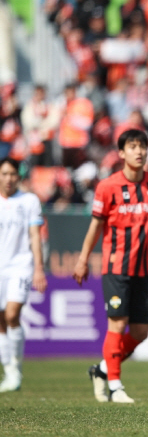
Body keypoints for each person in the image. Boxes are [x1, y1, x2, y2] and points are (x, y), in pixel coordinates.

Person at [72, 129, 148, 403]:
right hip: (116, 267)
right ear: (121, 153)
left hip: (144, 268)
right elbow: (96, 226)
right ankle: (115, 386)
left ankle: (101, 369)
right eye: (133, 146)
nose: (139, 151)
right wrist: (83, 259)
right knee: (117, 323)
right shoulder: (108, 186)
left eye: (142, 146)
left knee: (141, 331)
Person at [0, 158, 48, 392]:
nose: (8, 178)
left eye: (12, 174)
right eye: (4, 174)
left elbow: (35, 236)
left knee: (12, 314)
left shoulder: (29, 201)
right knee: (1, 321)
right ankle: (9, 371)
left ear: (18, 176)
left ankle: (16, 366)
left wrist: (38, 267)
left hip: (20, 265)